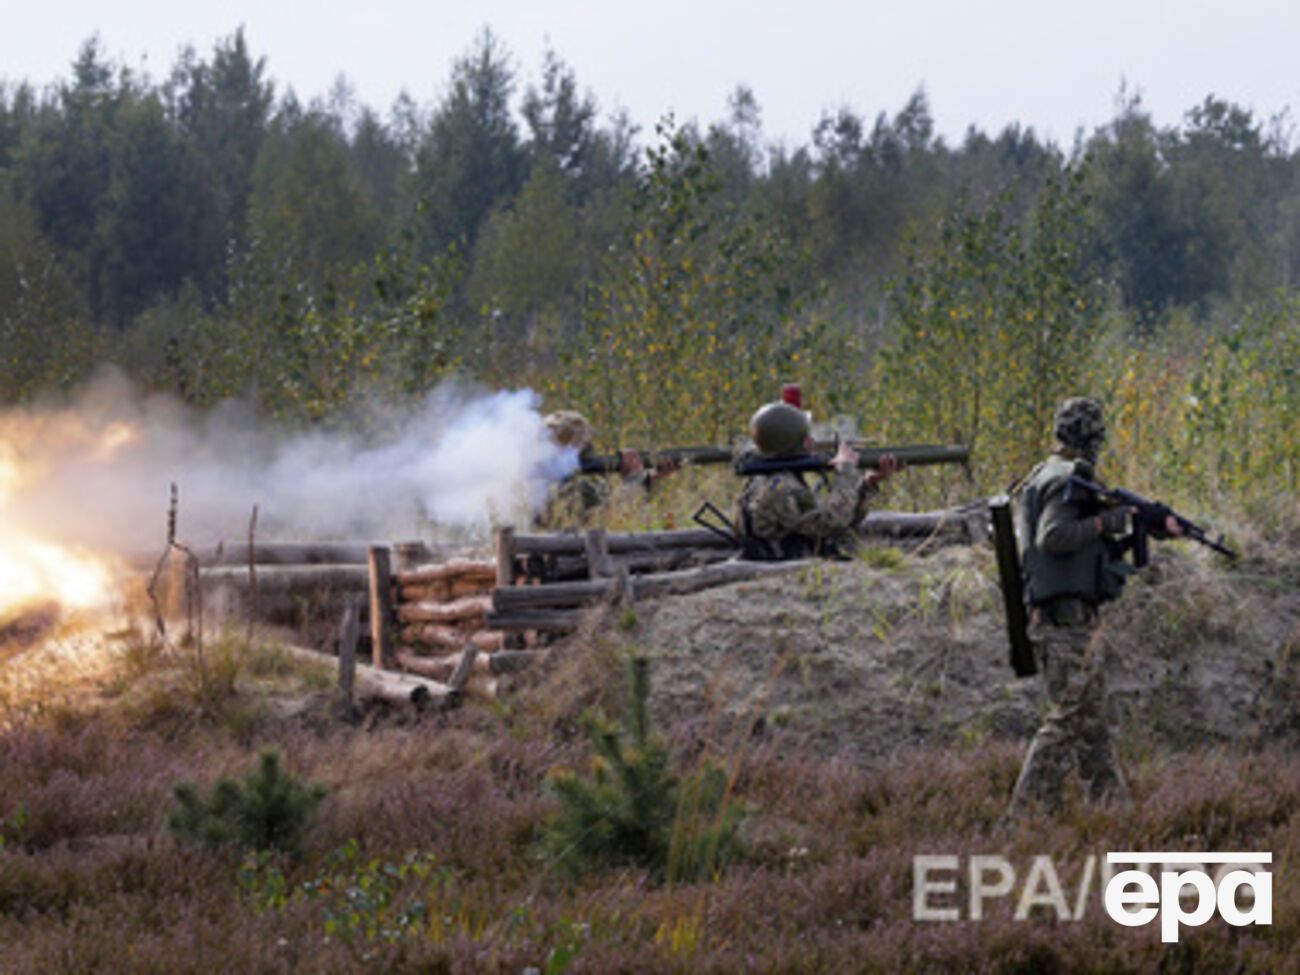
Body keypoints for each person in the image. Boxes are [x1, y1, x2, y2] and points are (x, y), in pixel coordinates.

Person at [1007, 397, 1181, 815]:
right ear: (1092, 438)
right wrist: (1107, 522)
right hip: (1065, 623)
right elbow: (1054, 536)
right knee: (1068, 719)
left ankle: (1112, 809)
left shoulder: (1045, 474)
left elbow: (1079, 543)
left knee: (1091, 724)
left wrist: (1141, 525)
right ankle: (1024, 815)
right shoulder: (1067, 478)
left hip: (1063, 620)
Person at [736, 401, 900, 560]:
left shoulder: (772, 479)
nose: (812, 441)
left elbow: (841, 521)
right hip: (784, 570)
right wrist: (846, 472)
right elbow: (831, 523)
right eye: (806, 436)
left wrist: (868, 484)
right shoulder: (782, 488)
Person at [539, 410, 677, 527]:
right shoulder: (568, 488)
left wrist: (649, 479)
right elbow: (603, 520)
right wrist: (635, 479)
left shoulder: (542, 481)